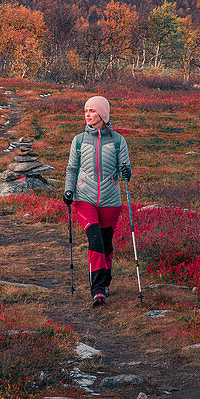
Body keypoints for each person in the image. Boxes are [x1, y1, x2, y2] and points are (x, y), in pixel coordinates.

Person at [63, 95, 133, 306]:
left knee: (106, 243)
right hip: (84, 198)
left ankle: (105, 281)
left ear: (102, 115)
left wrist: (126, 172)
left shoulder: (118, 141)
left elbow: (125, 172)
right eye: (86, 110)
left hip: (111, 200)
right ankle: (98, 289)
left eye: (92, 111)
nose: (87, 114)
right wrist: (68, 190)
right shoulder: (79, 141)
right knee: (94, 240)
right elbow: (72, 169)